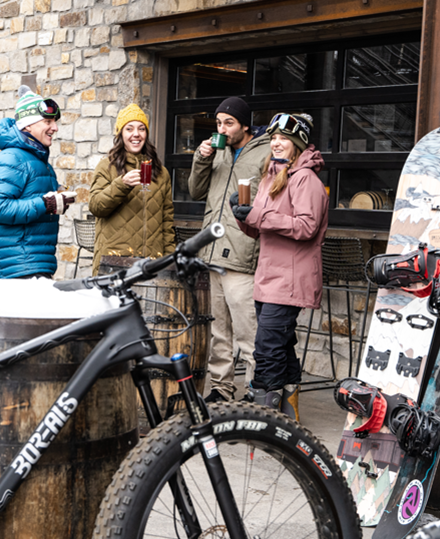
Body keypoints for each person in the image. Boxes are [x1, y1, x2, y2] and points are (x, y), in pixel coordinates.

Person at [232, 113, 328, 421]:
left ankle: (264, 417)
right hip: (269, 276)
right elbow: (259, 230)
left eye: (284, 139)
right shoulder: (270, 177)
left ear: (297, 145)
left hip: (291, 279)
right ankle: (288, 414)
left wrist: (257, 215)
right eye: (273, 138)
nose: (276, 143)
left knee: (268, 347)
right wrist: (242, 214)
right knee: (281, 346)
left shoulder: (306, 179)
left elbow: (306, 227)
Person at [188, 97, 269, 403]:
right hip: (212, 249)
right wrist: (201, 157)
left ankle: (255, 391)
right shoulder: (216, 150)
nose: (221, 129)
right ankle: (221, 388)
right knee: (218, 331)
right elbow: (195, 191)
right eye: (218, 123)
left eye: (228, 123)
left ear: (245, 124)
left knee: (248, 331)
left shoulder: (263, 152)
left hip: (241, 252)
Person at [0, 85, 75, 279]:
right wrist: (45, 203)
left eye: (54, 122)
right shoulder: (12, 158)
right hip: (18, 267)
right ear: (27, 125)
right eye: (48, 121)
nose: (55, 127)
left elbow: (30, 198)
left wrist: (57, 197)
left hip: (34, 264)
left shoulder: (38, 161)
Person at [90, 104, 174, 274]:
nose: (136, 134)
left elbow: (167, 222)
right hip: (114, 262)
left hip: (151, 263)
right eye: (129, 128)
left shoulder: (161, 173)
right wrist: (121, 185)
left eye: (141, 129)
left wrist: (169, 260)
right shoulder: (107, 166)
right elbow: (96, 206)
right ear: (121, 134)